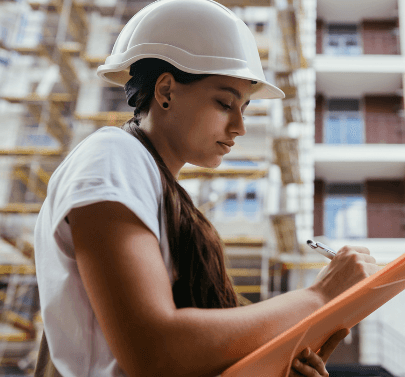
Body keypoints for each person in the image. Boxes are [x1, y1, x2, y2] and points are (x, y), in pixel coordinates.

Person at [32, 0, 381, 376]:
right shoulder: (112, 155)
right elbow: (154, 352)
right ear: (165, 91)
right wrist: (319, 297)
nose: (239, 127)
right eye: (224, 103)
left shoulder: (162, 190)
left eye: (243, 108)